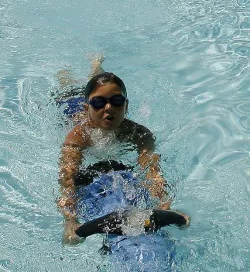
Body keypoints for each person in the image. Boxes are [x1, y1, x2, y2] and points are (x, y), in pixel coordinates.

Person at [58, 72, 189, 245]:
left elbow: (152, 171)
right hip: (70, 108)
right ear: (87, 108)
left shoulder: (139, 133)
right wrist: (70, 220)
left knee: (97, 81)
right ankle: (67, 77)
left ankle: (95, 69)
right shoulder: (78, 137)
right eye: (98, 103)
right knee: (67, 87)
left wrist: (164, 206)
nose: (108, 108)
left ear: (126, 106)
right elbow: (67, 179)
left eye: (116, 101)